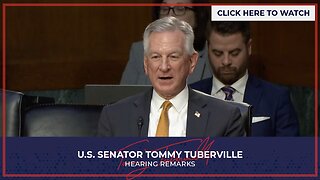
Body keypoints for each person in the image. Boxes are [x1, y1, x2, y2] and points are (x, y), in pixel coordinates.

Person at [98, 17, 244, 137]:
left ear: (192, 61)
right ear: (146, 63)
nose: (164, 67)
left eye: (173, 57)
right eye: (155, 57)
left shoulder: (224, 118)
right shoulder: (114, 117)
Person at [190, 21, 299, 136]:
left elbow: (289, 152)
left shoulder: (276, 98)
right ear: (208, 48)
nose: (226, 61)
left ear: (249, 48)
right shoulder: (189, 95)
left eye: (234, 53)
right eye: (218, 53)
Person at [120, 0, 212, 85]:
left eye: (180, 9)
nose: (170, 16)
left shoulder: (213, 53)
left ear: (198, 16)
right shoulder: (139, 51)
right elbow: (124, 97)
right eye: (164, 9)